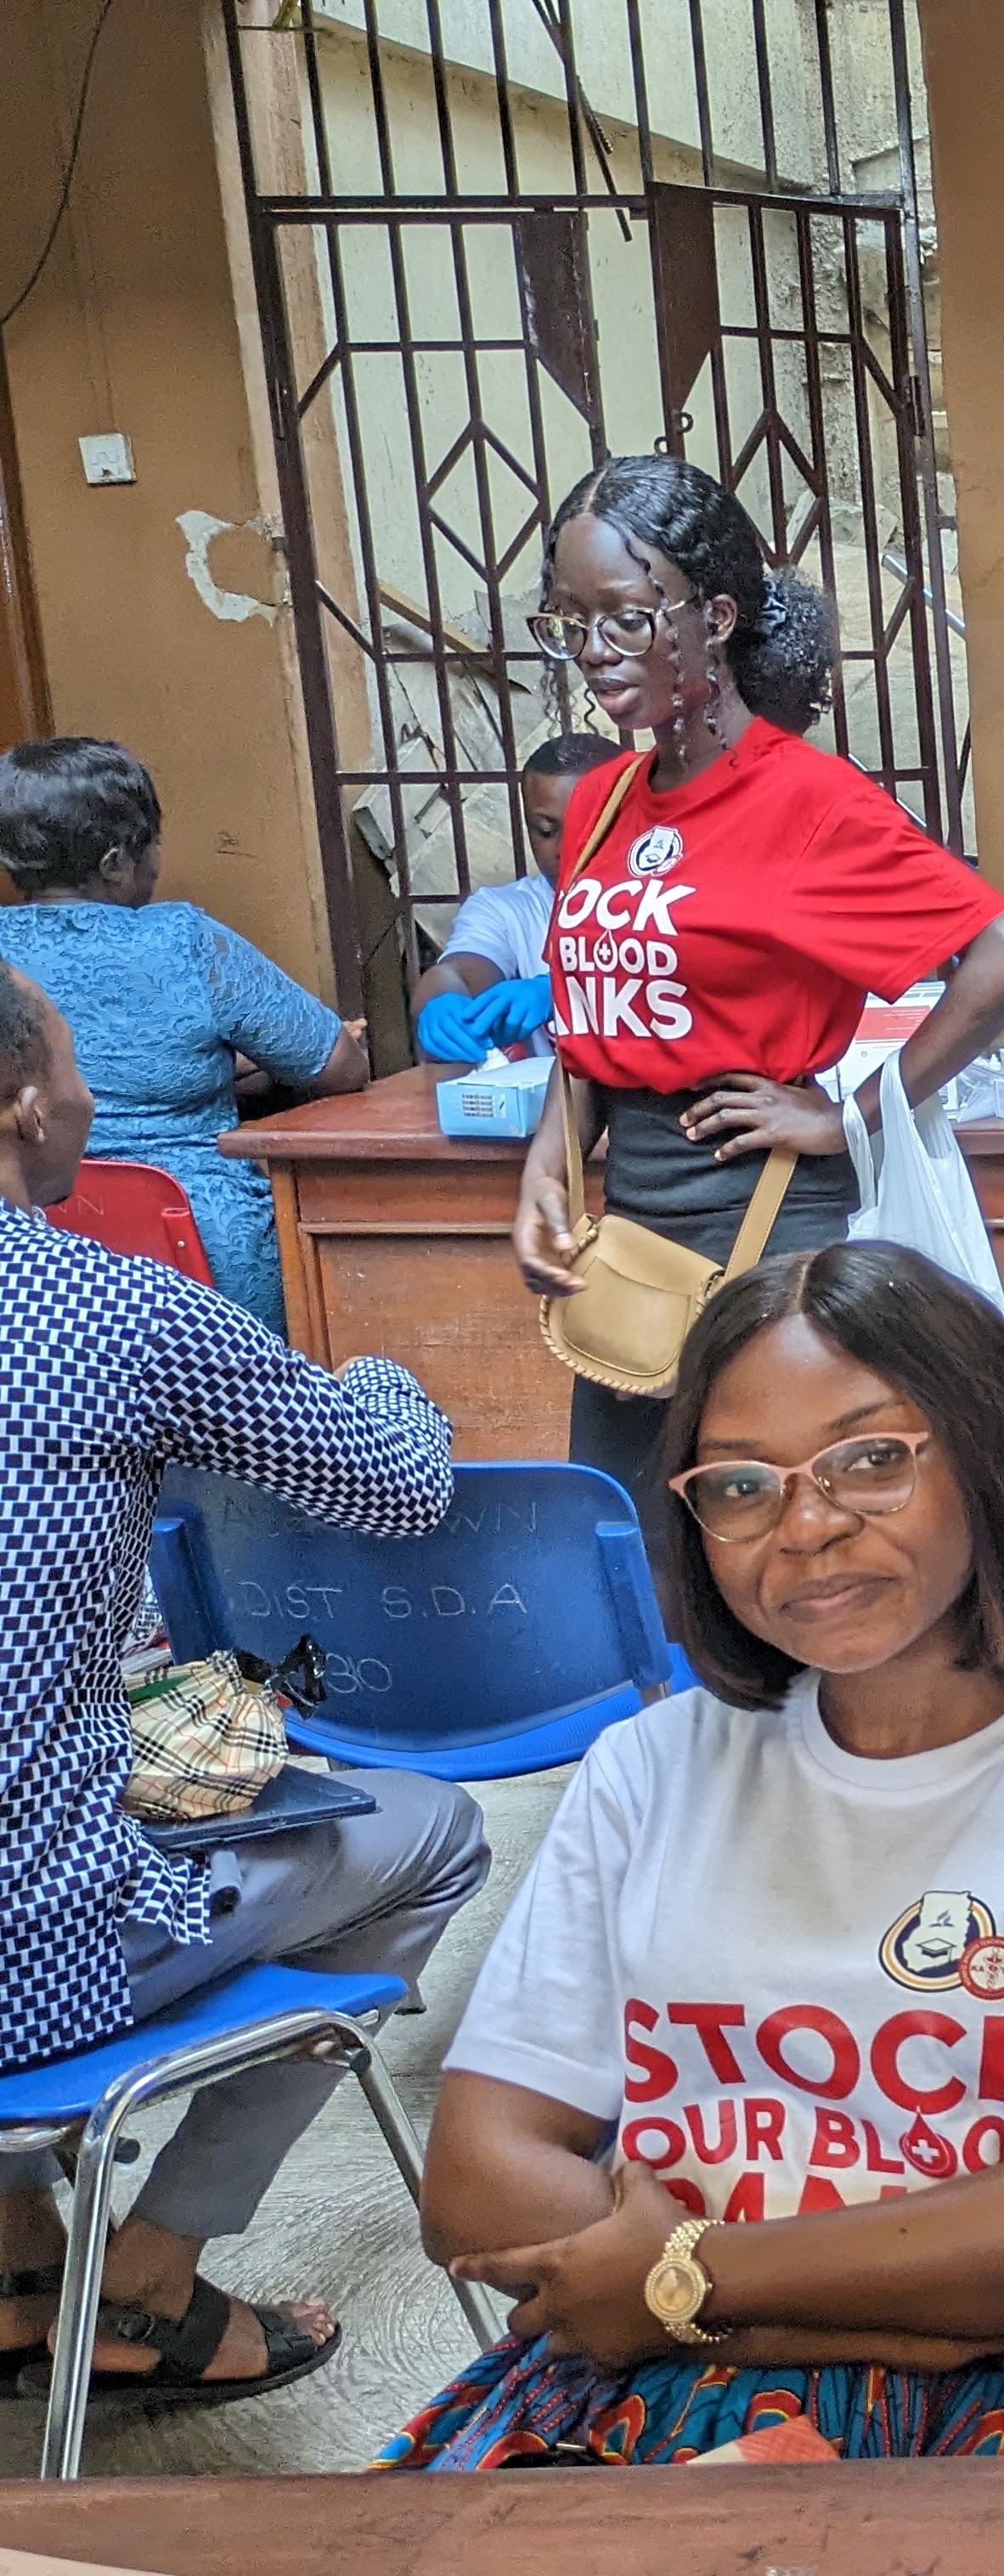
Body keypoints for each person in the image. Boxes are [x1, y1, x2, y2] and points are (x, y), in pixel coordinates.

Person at [387, 1241, 1004, 2466]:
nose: (809, 1526)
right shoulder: (648, 1767)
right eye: (741, 1484)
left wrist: (689, 2276)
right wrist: (799, 2315)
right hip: (688, 2371)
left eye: (872, 1460)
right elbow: (474, 2178)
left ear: (989, 1456)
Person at [0, 961, 488, 2414]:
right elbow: (395, 1485)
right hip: (36, 1961)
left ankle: (18, 2267)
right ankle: (148, 2280)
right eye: (70, 1061)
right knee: (435, 1829)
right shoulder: (106, 1312)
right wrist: (392, 1375)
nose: (87, 1091)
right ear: (21, 1102)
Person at [506, 456, 1004, 1520]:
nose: (593, 651)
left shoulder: (808, 803)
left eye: (625, 618)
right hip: (631, 1240)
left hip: (762, 1224)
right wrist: (547, 1162)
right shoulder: (601, 802)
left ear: (714, 617)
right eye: (570, 622)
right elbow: (591, 1022)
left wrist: (848, 1116)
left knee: (764, 1533)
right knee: (640, 1538)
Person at [0, 737, 370, 1332]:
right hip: (203, 1263)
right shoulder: (184, 940)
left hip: (33, 1261)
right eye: (153, 841)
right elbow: (340, 1067)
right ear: (115, 862)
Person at [415, 733, 631, 1066]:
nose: (565, 849)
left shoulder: (673, 900)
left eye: (588, 828)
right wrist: (441, 997)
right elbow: (459, 972)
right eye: (545, 831)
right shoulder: (506, 910)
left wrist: (559, 991)